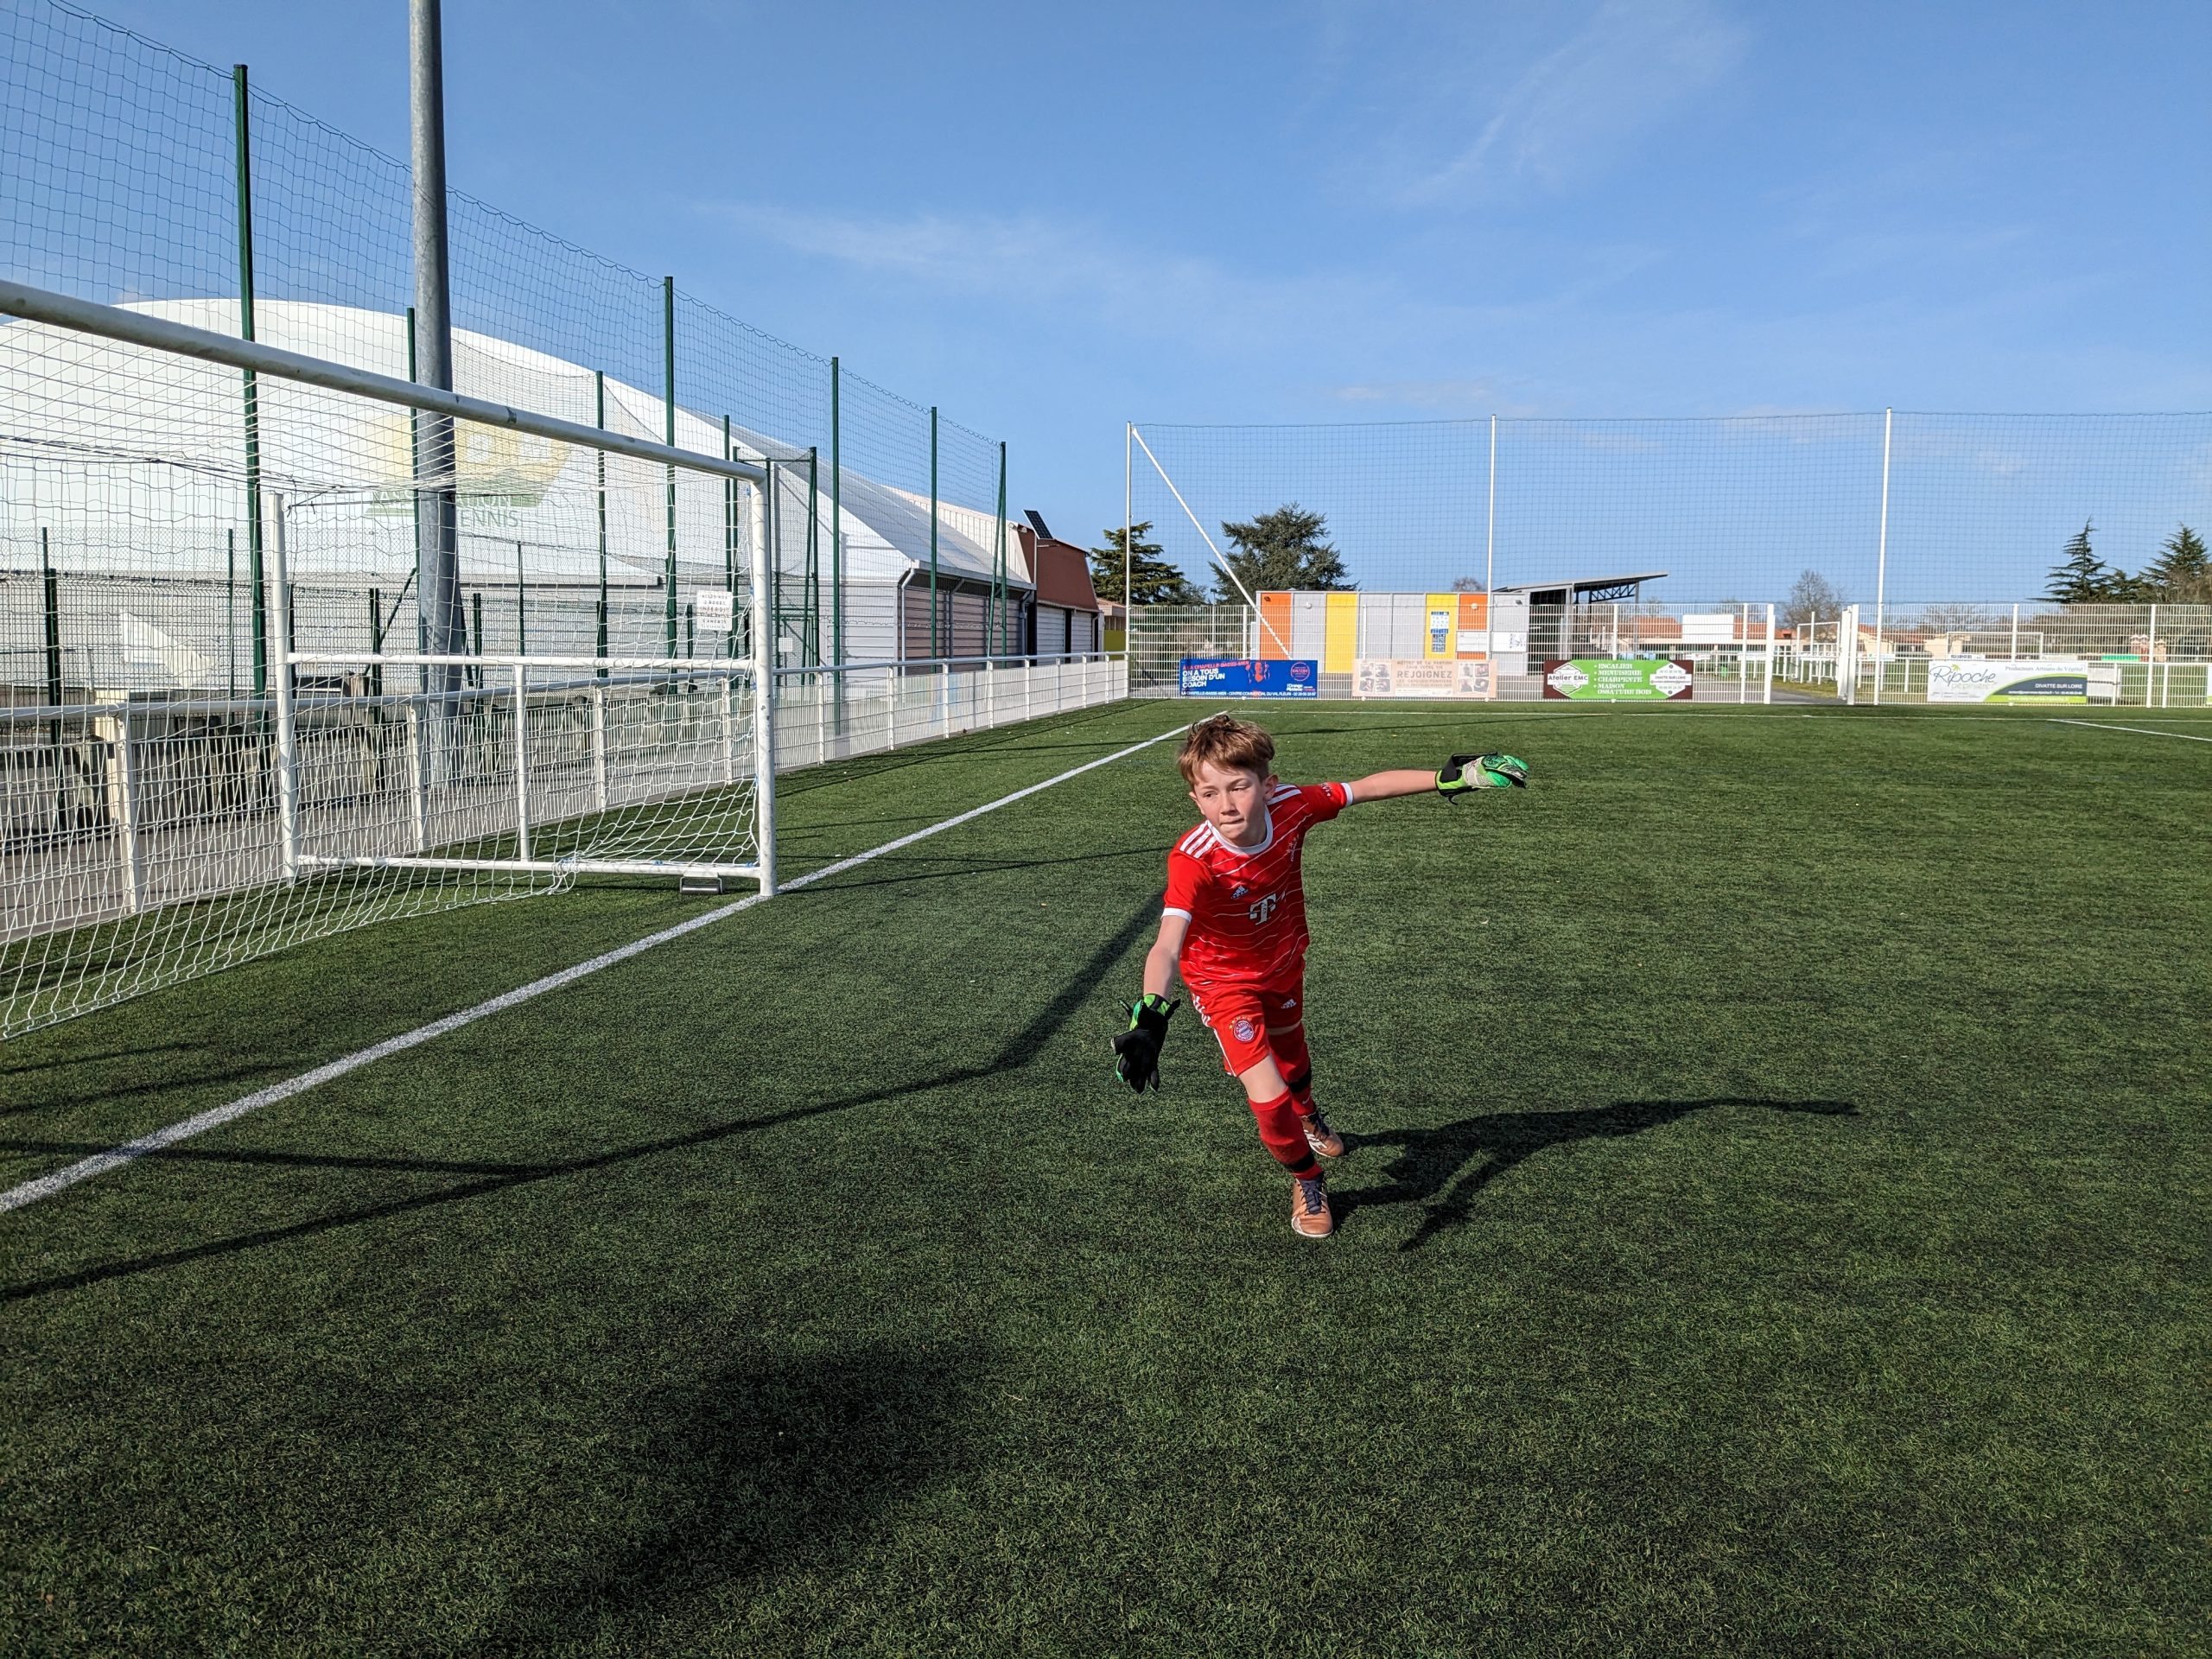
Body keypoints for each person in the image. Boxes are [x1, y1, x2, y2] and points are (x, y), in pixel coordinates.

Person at [1112, 714, 1529, 1239]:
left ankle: (1310, 1116)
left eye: (1239, 786)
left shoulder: (1292, 807)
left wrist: (1450, 778)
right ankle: (1307, 1179)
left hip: (1285, 960)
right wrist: (1152, 1012)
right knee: (1267, 1097)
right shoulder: (1194, 860)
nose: (1227, 804)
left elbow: (1366, 788)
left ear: (1267, 783)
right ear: (1195, 798)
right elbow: (1167, 944)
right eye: (1209, 792)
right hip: (1223, 985)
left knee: (1294, 1060)